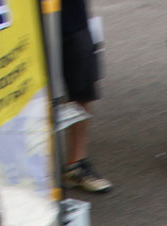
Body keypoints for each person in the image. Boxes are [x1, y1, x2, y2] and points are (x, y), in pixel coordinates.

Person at [58, 0, 112, 194]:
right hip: (26, 20)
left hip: (71, 15)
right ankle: (35, 171)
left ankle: (76, 165)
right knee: (32, 94)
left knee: (82, 86)